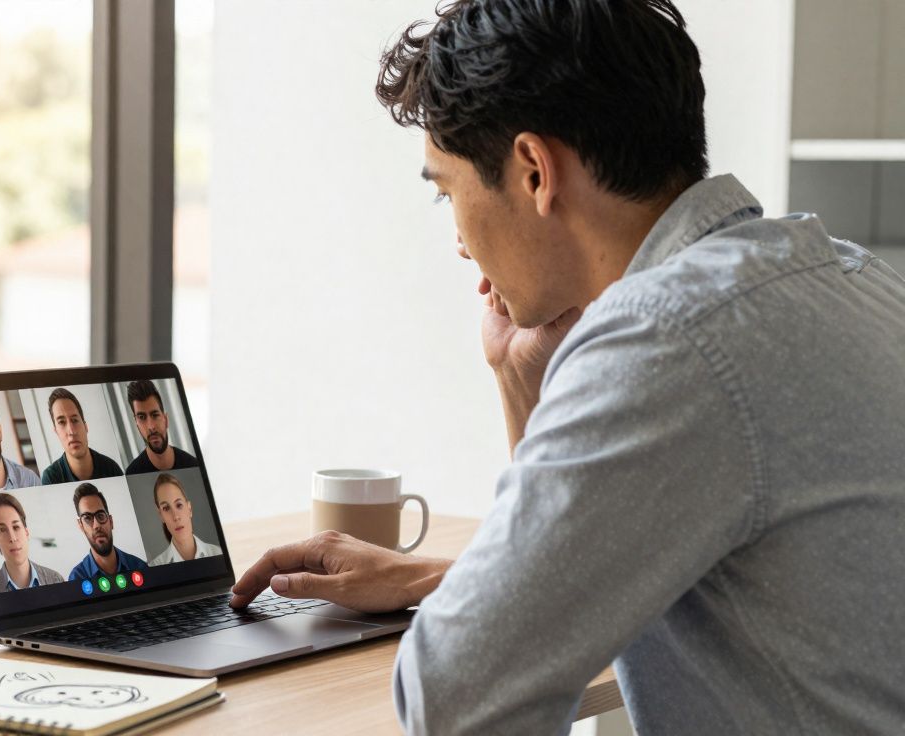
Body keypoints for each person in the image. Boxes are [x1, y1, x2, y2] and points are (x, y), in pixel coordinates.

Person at [228, 1, 905, 734]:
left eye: (446, 190)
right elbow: (569, 589)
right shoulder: (851, 278)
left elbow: (455, 693)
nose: (457, 238)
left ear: (533, 171)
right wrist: (522, 386)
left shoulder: (665, 338)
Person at [0, 493, 64, 594]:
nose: (12, 538)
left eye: (16, 527)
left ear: (26, 532)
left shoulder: (55, 580)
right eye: (2, 530)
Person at [38, 388, 124, 485]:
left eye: (74, 420)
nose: (71, 431)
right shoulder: (51, 478)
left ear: (85, 427)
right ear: (56, 432)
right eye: (62, 422)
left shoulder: (111, 469)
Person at [66, 483, 148, 582]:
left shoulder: (140, 567)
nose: (96, 525)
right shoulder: (76, 578)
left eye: (100, 516)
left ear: (111, 522)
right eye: (87, 518)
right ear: (81, 526)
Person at [123, 380, 199, 474]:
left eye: (155, 415)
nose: (151, 427)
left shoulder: (193, 466)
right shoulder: (132, 474)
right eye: (142, 417)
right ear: (137, 425)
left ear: (166, 420)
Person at [146, 473, 222, 565]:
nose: (175, 517)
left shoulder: (218, 553)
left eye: (179, 505)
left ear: (189, 509)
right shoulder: (154, 566)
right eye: (166, 508)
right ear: (161, 516)